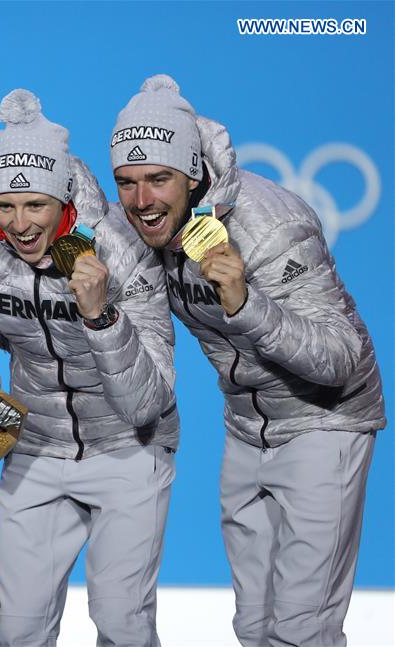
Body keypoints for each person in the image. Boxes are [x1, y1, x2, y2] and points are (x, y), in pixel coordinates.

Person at [110, 74, 385, 647]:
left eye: (158, 179)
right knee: (254, 626)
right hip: (245, 426)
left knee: (301, 630)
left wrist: (244, 302)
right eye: (127, 182)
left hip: (325, 423)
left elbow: (340, 358)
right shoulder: (143, 229)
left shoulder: (272, 227)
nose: (142, 201)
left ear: (191, 174)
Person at [0, 90, 179, 647]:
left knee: (122, 621)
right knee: (20, 629)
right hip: (34, 450)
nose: (20, 225)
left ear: (64, 198)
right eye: (5, 206)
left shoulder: (122, 249)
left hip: (129, 449)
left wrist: (101, 319)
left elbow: (151, 401)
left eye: (35, 206)